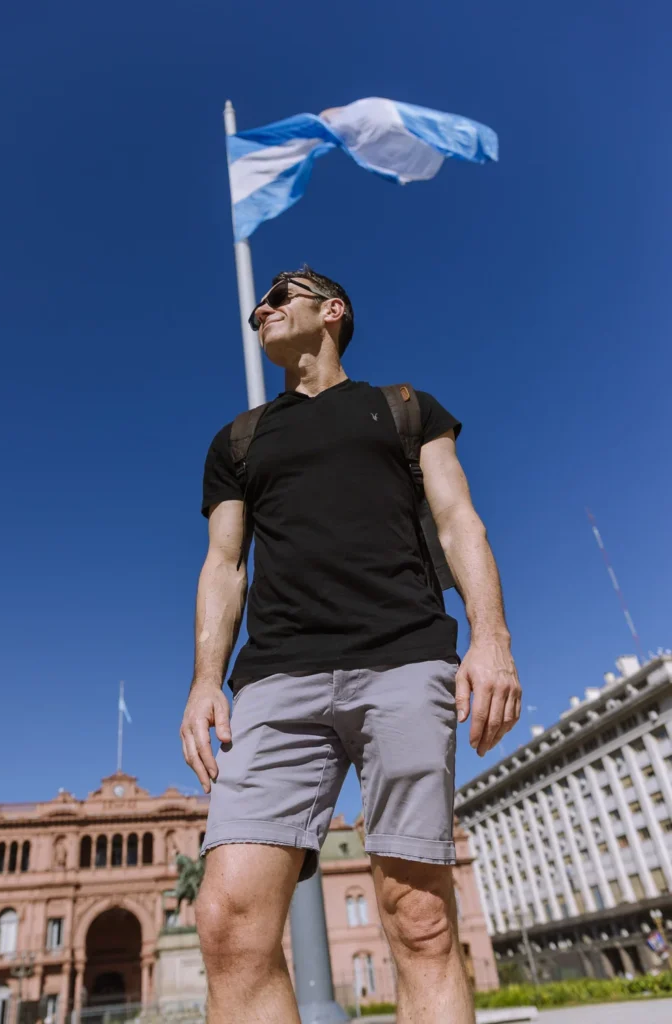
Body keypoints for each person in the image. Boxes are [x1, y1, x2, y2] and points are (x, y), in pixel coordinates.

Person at [181, 266, 522, 1023]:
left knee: (420, 921)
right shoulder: (237, 440)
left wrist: (491, 637)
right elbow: (224, 564)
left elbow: (461, 519)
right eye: (258, 303)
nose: (259, 309)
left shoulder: (404, 409)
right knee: (227, 925)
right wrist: (207, 680)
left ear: (330, 311)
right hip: (272, 684)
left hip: (404, 661)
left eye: (278, 296)